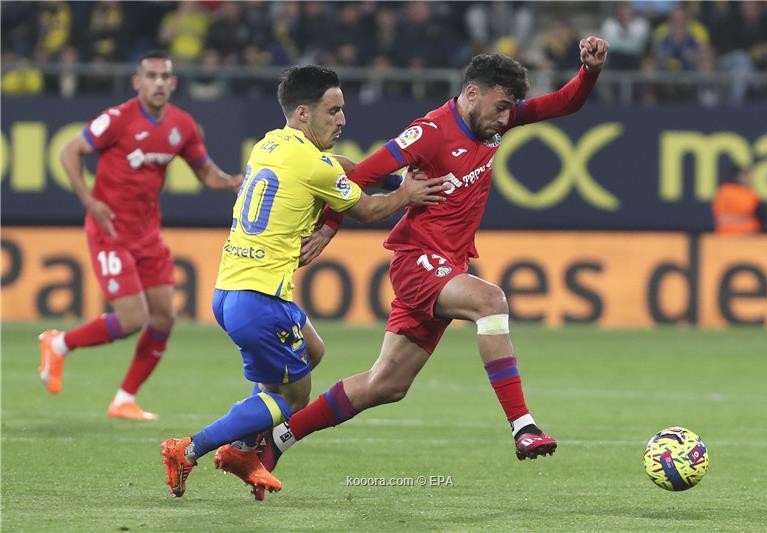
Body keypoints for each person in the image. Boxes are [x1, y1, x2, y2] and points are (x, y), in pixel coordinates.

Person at [225, 38, 610, 500]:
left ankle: (275, 441)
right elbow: (360, 174)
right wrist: (329, 228)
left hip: (448, 263)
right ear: (472, 94)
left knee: (385, 385)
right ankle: (523, 426)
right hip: (417, 262)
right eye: (501, 106)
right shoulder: (429, 131)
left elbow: (565, 103)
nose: (507, 117)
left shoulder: (494, 125)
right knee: (491, 300)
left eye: (511, 109)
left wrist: (589, 71)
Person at [159, 65, 446, 498]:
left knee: (313, 350)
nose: (342, 119)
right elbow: (368, 211)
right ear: (303, 112)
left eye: (342, 109)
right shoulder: (314, 166)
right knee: (293, 398)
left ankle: (242, 447)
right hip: (261, 299)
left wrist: (386, 175)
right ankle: (192, 448)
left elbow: (338, 166)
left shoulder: (269, 144)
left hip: (230, 290)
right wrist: (405, 192)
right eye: (332, 110)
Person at [38, 50, 244, 421]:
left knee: (164, 317)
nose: (159, 83)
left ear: (174, 83)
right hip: (110, 230)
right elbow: (70, 151)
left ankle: (124, 399)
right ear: (137, 82)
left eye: (165, 76)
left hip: (148, 233)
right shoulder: (118, 119)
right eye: (151, 76)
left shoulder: (182, 125)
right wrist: (89, 200)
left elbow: (205, 171)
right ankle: (59, 343)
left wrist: (231, 182)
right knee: (132, 318)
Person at [712, 165, 764, 234]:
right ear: (738, 176)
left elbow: (761, 215)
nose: (749, 178)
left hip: (751, 233)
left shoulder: (751, 193)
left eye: (749, 176)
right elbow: (721, 218)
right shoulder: (726, 191)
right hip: (728, 234)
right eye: (745, 175)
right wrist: (744, 218)